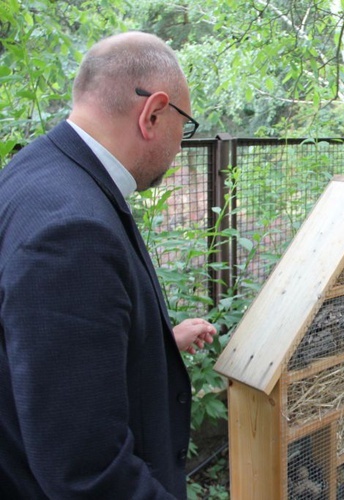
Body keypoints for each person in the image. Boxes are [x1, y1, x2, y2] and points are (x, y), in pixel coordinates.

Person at [0, 31, 215, 498]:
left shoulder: (35, 170)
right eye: (186, 126)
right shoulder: (73, 233)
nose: (180, 147)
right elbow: (88, 471)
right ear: (153, 113)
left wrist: (152, 345)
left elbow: (46, 355)